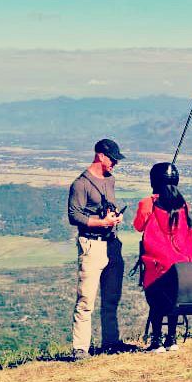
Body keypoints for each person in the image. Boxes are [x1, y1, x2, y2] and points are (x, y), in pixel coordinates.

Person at [133, 162, 192, 353]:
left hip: (157, 264)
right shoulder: (183, 204)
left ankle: (156, 342)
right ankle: (171, 340)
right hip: (182, 264)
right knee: (175, 299)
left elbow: (138, 225)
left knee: (156, 302)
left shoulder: (148, 203)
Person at [67, 138, 127, 359]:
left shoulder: (110, 180)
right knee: (86, 299)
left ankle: (111, 342)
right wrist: (101, 223)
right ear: (100, 155)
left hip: (112, 243)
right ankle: (80, 348)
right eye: (112, 159)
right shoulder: (80, 184)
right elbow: (74, 215)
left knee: (111, 297)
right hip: (92, 244)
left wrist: (114, 218)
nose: (115, 163)